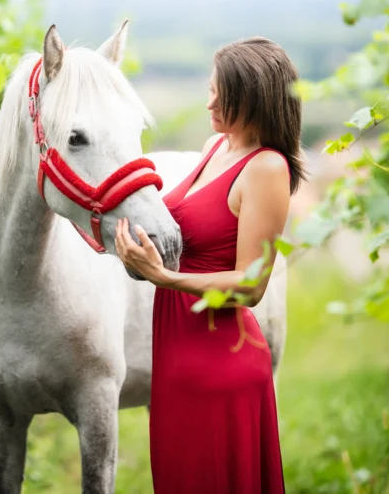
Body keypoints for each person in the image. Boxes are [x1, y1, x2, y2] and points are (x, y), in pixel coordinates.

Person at [115, 37, 305, 493]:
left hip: (222, 363)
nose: (209, 103)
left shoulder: (267, 169)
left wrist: (164, 276)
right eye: (211, 90)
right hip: (177, 358)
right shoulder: (213, 148)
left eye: (224, 96)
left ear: (255, 98)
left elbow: (252, 284)